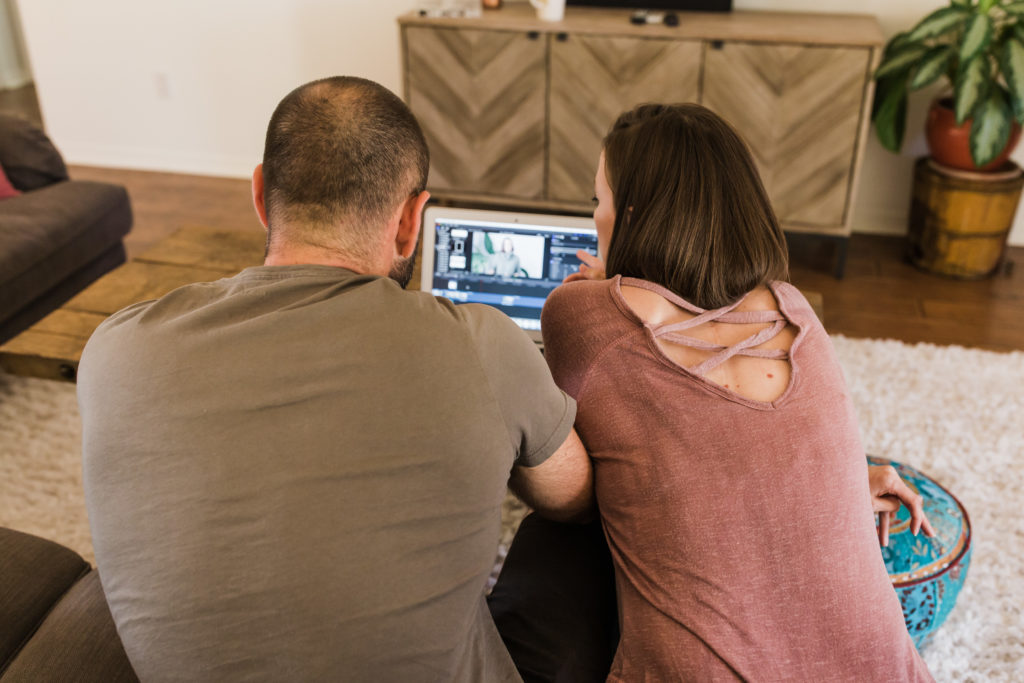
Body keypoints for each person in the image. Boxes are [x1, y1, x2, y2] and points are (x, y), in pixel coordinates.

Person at [76, 76, 593, 682]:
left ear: (261, 195)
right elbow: (576, 500)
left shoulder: (114, 349)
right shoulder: (485, 343)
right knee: (578, 545)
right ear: (412, 220)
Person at [522, 103, 935, 681]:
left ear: (632, 214)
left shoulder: (578, 317)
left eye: (599, 201)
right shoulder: (798, 314)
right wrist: (832, 484)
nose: (595, 216)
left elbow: (576, 481)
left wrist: (601, 285)